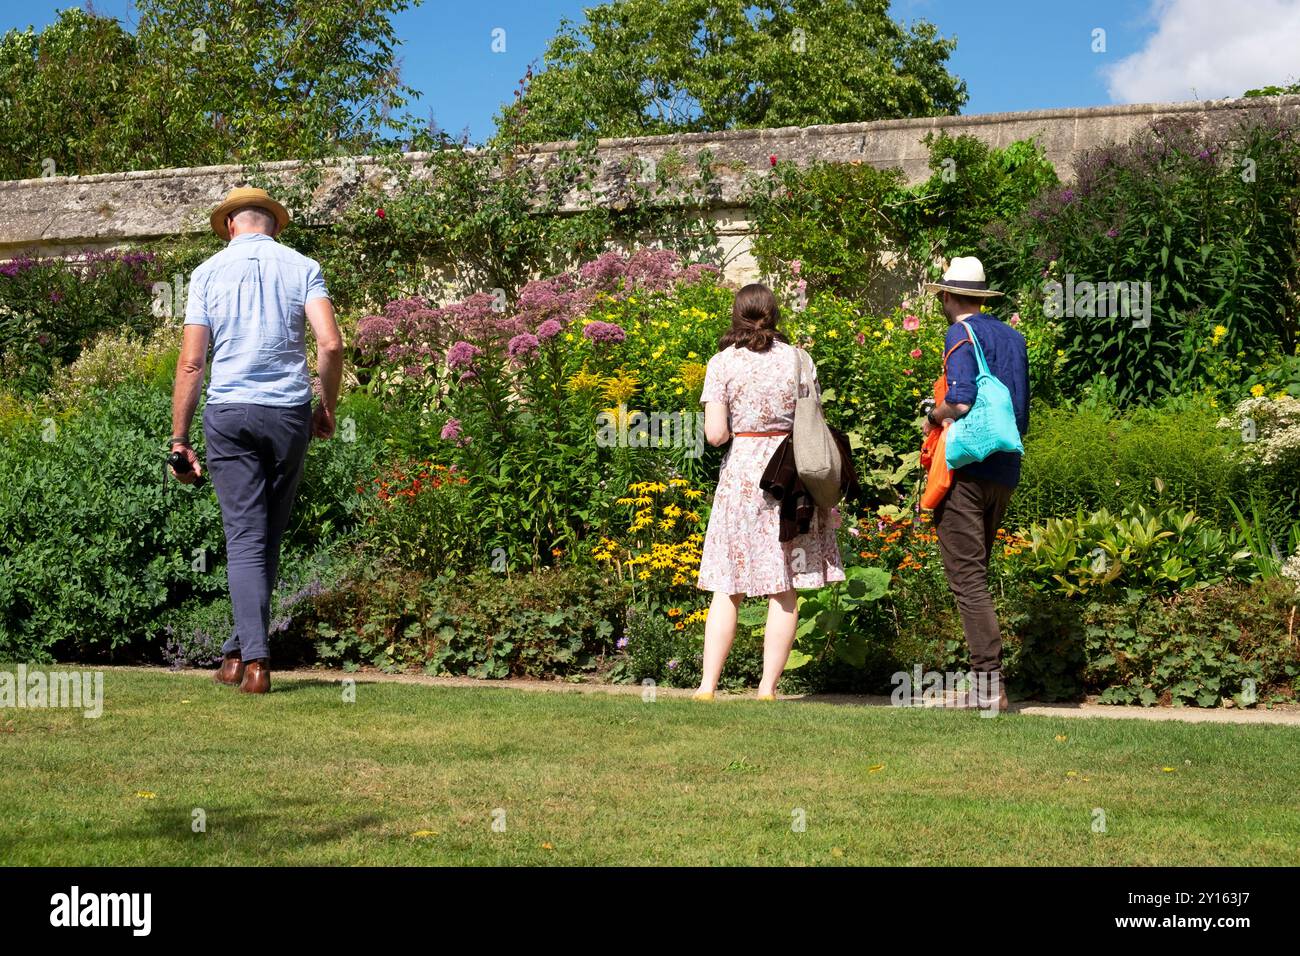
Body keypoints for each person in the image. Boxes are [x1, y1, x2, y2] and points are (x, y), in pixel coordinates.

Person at [168, 186, 344, 694]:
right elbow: (331, 344)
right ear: (272, 225)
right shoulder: (303, 267)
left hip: (228, 413)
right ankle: (238, 655)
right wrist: (326, 407)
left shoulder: (205, 274)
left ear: (230, 226)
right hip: (288, 414)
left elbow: (191, 362)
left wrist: (179, 439)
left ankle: (253, 661)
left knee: (247, 536)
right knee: (264, 535)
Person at [694, 283, 845, 700]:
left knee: (730, 583)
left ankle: (708, 686)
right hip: (790, 472)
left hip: (743, 475)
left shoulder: (722, 363)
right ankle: (767, 688)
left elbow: (715, 434)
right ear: (774, 315)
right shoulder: (800, 359)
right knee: (784, 583)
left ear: (736, 316)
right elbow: (813, 419)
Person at [922, 257, 1028, 712]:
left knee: (967, 579)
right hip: (1004, 467)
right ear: (982, 297)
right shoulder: (1014, 337)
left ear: (947, 296)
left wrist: (933, 413)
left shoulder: (959, 333)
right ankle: (988, 683)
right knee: (977, 574)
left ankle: (988, 687)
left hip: (965, 467)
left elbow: (961, 402)